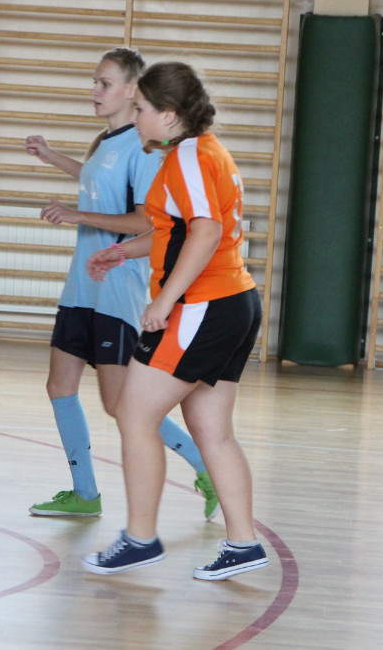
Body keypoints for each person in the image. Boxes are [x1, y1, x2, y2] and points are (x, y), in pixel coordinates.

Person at [81, 61, 268, 581]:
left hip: (202, 306)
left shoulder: (187, 156)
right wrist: (124, 252)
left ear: (168, 115)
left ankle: (140, 539)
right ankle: (243, 543)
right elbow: (179, 232)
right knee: (213, 431)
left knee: (133, 414)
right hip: (234, 301)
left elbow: (205, 232)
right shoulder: (206, 152)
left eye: (140, 109)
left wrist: (165, 302)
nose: (135, 118)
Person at [23, 48, 218, 521]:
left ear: (133, 90)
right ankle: (85, 493)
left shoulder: (142, 148)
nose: (95, 90)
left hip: (115, 286)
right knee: (59, 385)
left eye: (104, 83)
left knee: (118, 403)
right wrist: (53, 158)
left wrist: (77, 215)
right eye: (94, 81)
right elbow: (98, 180)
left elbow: (145, 222)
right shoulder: (106, 144)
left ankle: (205, 466)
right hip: (81, 286)